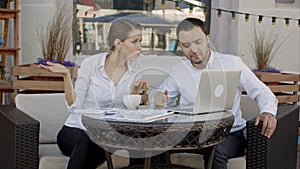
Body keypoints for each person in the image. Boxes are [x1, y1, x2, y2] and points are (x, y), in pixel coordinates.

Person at [154, 17, 278, 169]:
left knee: (215, 148)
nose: (193, 50)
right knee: (154, 144)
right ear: (180, 45)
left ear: (207, 38)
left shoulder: (231, 63)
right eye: (186, 45)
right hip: (190, 134)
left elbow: (262, 91)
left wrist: (268, 112)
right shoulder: (179, 69)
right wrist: (159, 100)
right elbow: (163, 97)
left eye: (198, 42)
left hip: (228, 134)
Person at [40, 18, 149, 169]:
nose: (139, 47)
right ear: (118, 44)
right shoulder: (91, 64)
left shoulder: (136, 69)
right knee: (86, 142)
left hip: (107, 136)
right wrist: (66, 75)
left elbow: (128, 112)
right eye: (134, 42)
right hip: (76, 131)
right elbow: (74, 106)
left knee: (137, 145)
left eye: (140, 41)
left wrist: (135, 92)